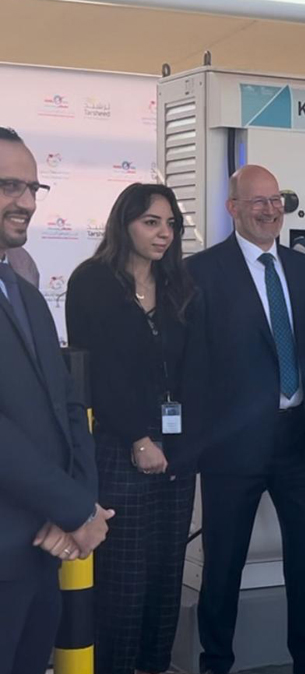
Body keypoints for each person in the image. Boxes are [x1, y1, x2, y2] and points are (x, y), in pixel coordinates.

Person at [187, 164, 305, 674]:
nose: (270, 209)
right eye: (257, 201)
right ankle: (215, 663)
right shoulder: (201, 273)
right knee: (223, 566)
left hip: (299, 440)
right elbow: (192, 364)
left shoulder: (302, 269)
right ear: (233, 208)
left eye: (276, 199)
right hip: (231, 447)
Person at [65, 183, 206, 674]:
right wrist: (138, 439)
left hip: (175, 450)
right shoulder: (93, 282)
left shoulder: (179, 285)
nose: (163, 233)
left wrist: (184, 444)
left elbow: (193, 369)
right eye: (151, 222)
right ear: (124, 223)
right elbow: (98, 374)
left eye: (171, 224)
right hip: (119, 446)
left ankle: (155, 665)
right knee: (123, 575)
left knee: (166, 573)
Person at [0, 126, 111, 674]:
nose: (25, 202)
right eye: (9, 186)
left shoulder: (25, 294)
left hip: (43, 552)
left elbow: (69, 409)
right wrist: (74, 510)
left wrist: (83, 506)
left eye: (34, 189)